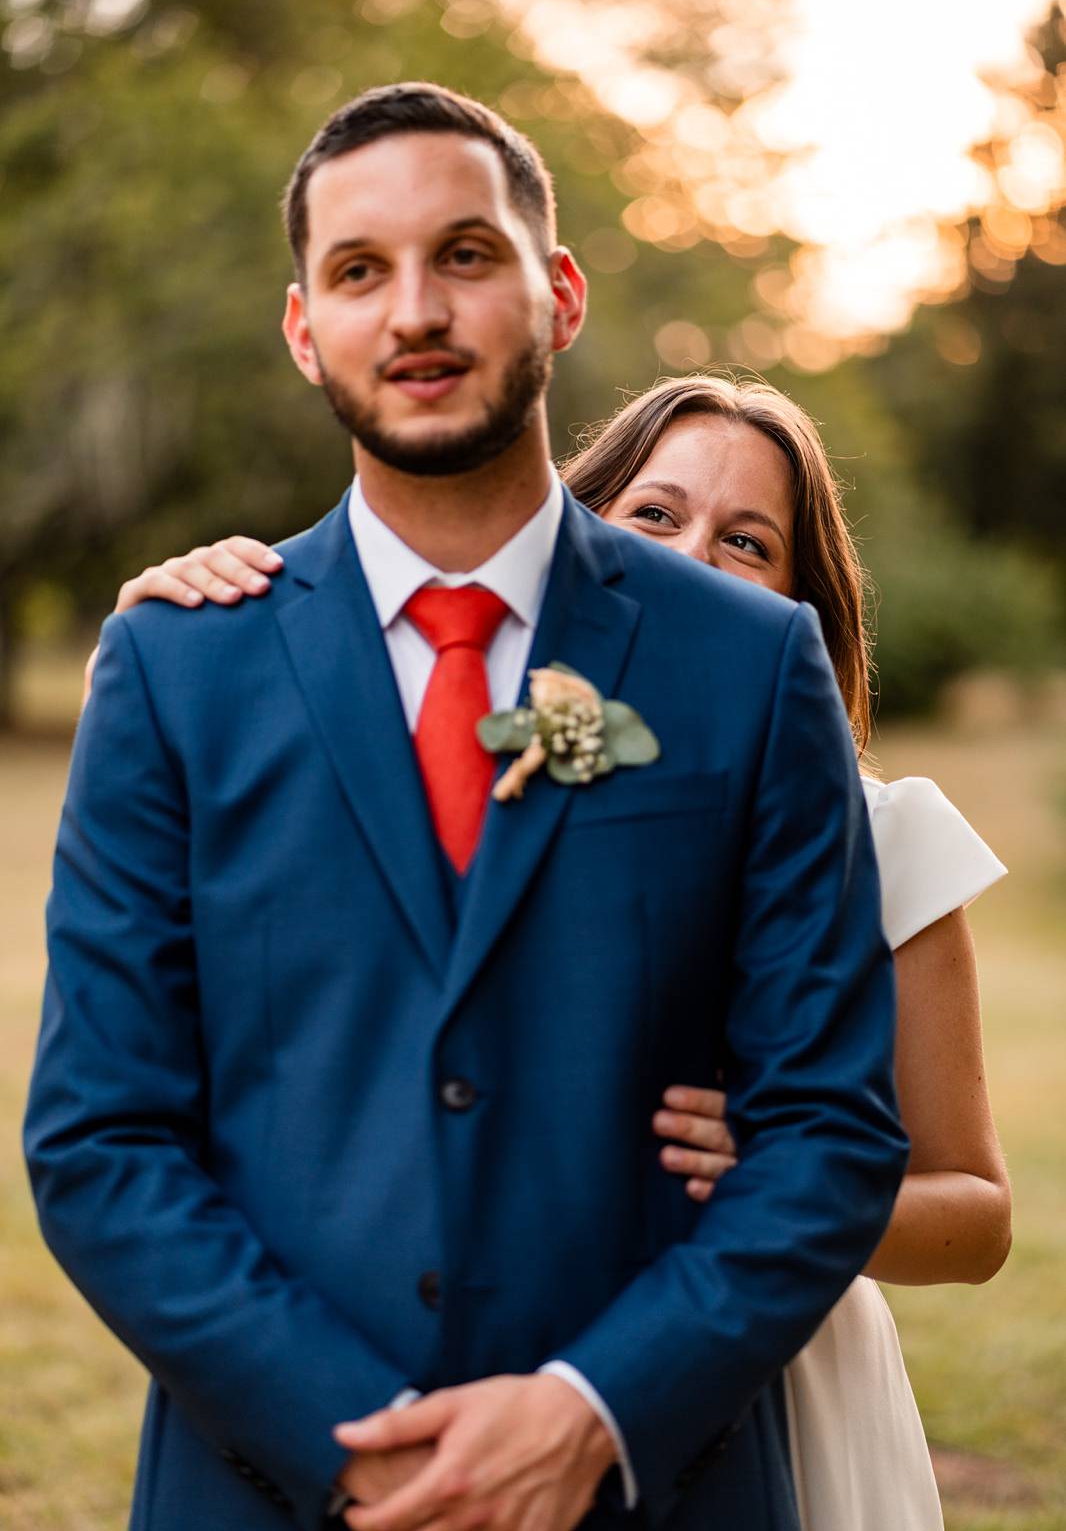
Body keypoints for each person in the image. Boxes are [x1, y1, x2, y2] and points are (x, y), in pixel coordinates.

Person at [26, 84, 909, 1531]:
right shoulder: (176, 665)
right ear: (306, 326)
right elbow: (100, 1137)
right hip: (268, 1487)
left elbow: (828, 1125)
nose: (415, 308)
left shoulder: (748, 662)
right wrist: (357, 1440)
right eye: (360, 270)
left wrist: (592, 1409)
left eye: (466, 254)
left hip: (653, 1483)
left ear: (555, 294)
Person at [116, 374, 1012, 1531]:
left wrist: (793, 1182)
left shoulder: (887, 836)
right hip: (469, 1348)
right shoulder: (467, 775)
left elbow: (978, 1217)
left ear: (799, 602)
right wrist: (172, 639)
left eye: (748, 540)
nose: (694, 553)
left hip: (772, 1371)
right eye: (653, 513)